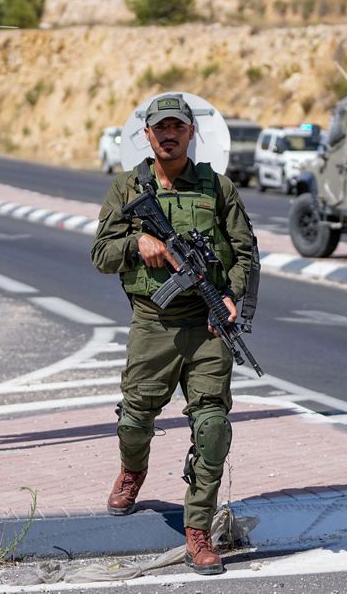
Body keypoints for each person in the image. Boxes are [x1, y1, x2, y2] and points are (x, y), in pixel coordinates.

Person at [91, 94, 258, 576]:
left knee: (212, 428)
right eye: (160, 127)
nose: (169, 134)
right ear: (146, 134)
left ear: (191, 133)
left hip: (207, 327)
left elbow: (246, 254)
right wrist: (136, 241)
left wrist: (231, 297)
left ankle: (198, 530)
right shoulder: (128, 188)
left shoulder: (218, 189)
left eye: (178, 127)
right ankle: (132, 471)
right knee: (135, 419)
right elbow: (100, 253)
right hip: (154, 324)